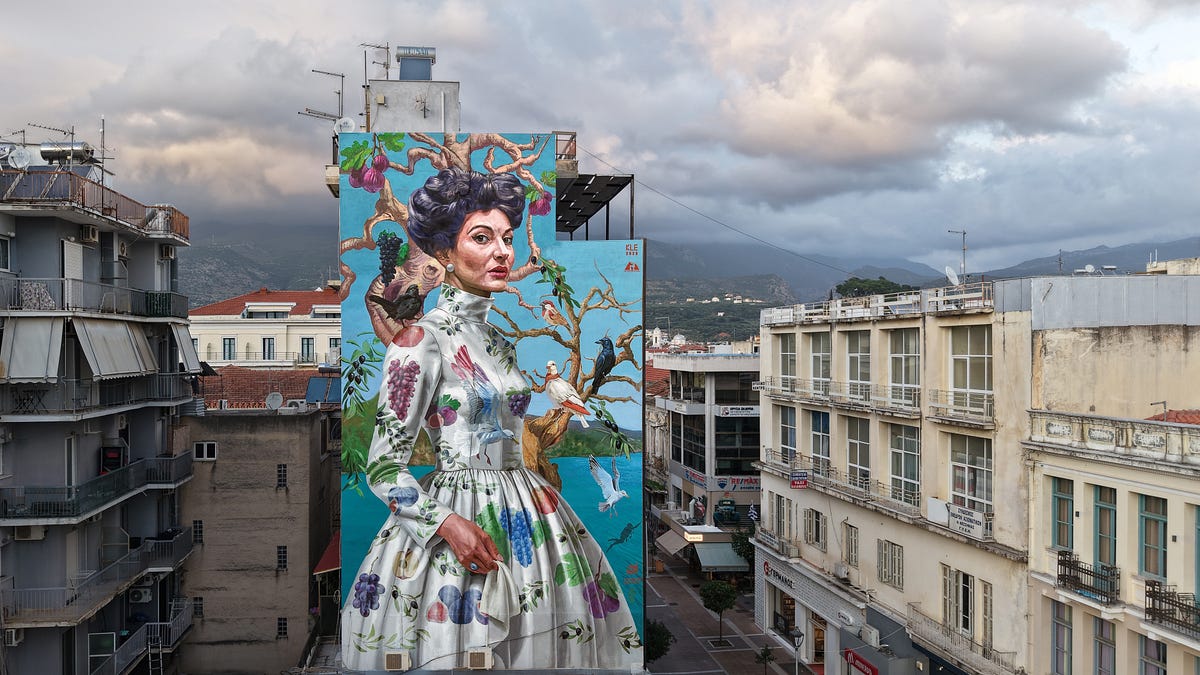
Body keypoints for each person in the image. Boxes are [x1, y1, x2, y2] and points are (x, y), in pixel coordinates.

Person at [341, 167, 642, 671]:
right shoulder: (419, 341)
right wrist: (447, 524)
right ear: (444, 252)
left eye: (506, 238)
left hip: (529, 514)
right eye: (482, 238)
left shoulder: (498, 341)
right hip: (454, 520)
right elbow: (383, 467)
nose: (503, 252)